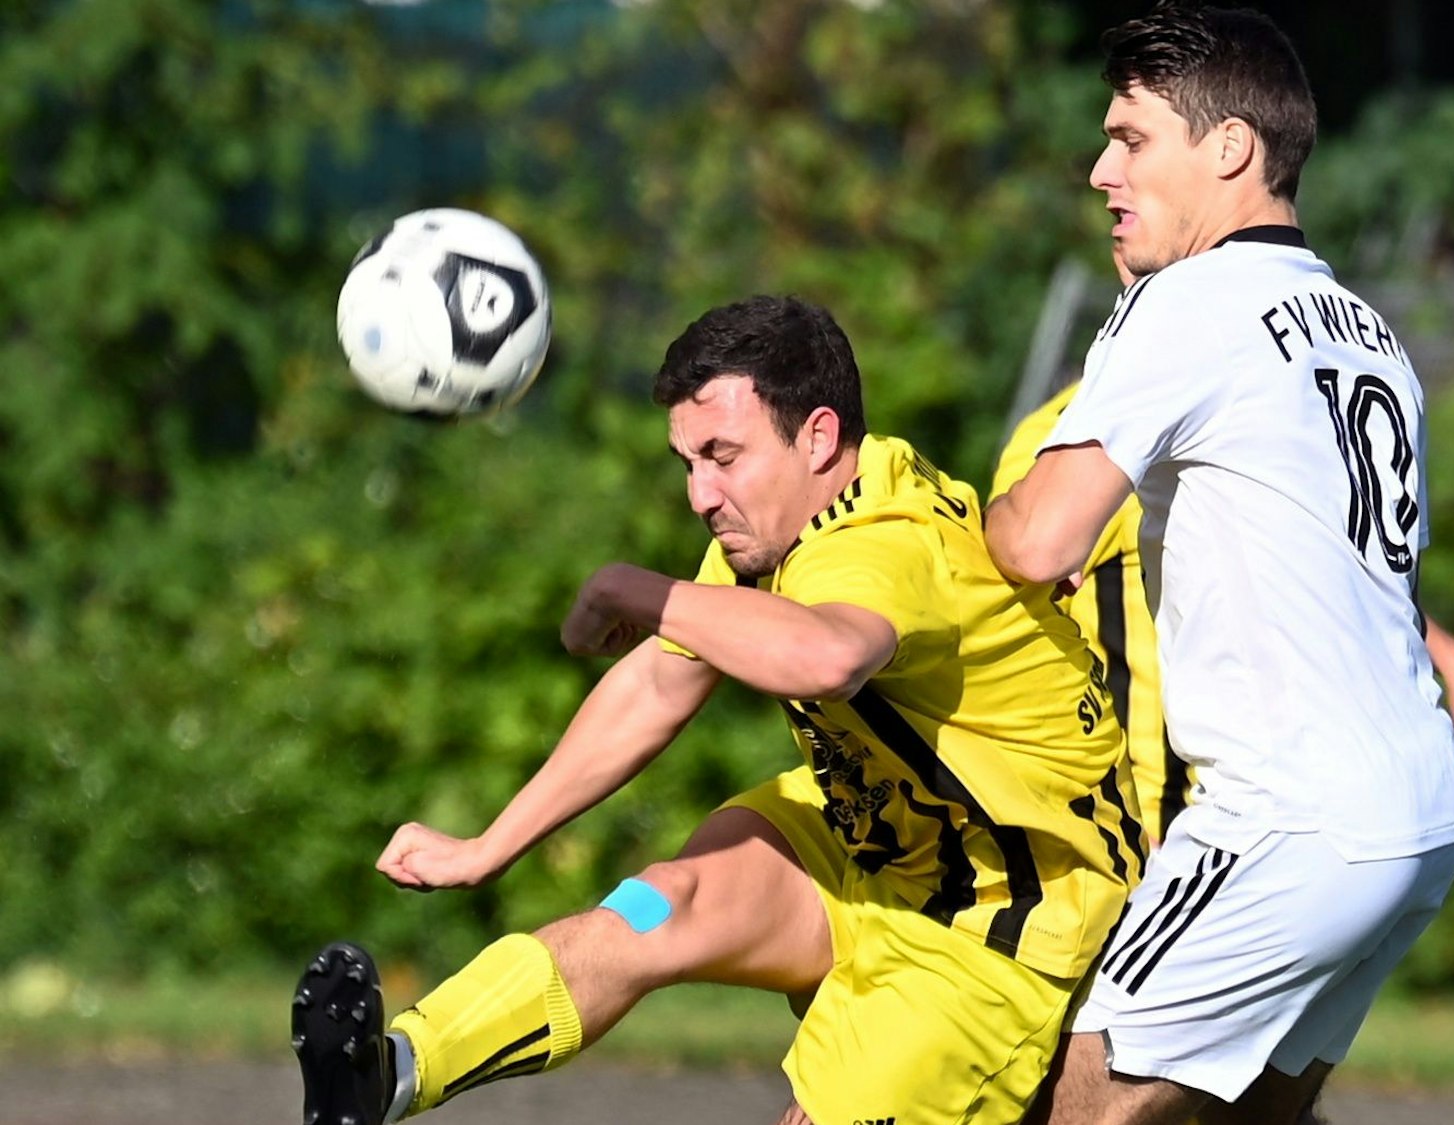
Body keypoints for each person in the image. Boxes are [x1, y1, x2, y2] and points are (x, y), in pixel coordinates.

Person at [291, 295, 1145, 1125]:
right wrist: (488, 847)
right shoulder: (781, 528)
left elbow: (828, 654)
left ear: (817, 437)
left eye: (722, 456)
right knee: (657, 905)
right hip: (874, 831)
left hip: (997, 907)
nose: (701, 494)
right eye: (688, 462)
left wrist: (635, 588)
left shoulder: (882, 540)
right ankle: (390, 1073)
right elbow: (661, 683)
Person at [985, 6, 1454, 1123]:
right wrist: (1448, 649)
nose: (1099, 172)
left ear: (1227, 149)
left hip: (1288, 816)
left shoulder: (1183, 301)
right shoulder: (1358, 324)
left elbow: (1038, 541)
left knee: (1077, 1107)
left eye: (1129, 139)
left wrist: (989, 520)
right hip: (1417, 813)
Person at [991, 382, 1454, 848]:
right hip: (1161, 837)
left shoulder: (1244, 405)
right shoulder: (1073, 436)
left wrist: (1453, 659)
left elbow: (1317, 568)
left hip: (1281, 817)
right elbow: (1007, 630)